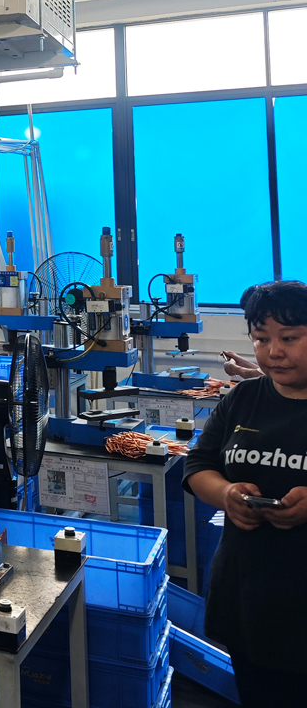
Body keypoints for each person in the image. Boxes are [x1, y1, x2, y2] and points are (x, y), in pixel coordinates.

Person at [183, 281, 307, 706]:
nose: (273, 352)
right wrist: (228, 494)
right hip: (248, 595)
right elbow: (198, 465)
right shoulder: (243, 398)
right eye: (261, 339)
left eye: (289, 338)